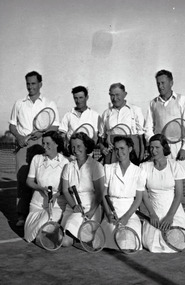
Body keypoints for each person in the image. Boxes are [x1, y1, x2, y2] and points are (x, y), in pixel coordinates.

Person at [9, 71, 60, 226]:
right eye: (28, 84)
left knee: (41, 180)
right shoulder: (19, 103)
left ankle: (41, 213)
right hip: (23, 146)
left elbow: (55, 125)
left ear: (40, 84)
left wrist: (42, 132)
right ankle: (22, 215)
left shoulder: (49, 103)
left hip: (41, 146)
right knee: (23, 180)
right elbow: (12, 125)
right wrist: (19, 137)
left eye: (33, 83)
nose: (30, 87)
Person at [139, 134, 185, 253]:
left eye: (157, 147)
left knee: (175, 242)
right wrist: (152, 214)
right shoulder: (144, 167)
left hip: (174, 212)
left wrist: (170, 216)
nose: (153, 151)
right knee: (151, 243)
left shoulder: (175, 166)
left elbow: (179, 195)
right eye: (151, 148)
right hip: (154, 213)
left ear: (164, 148)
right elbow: (143, 193)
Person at [61, 132, 104, 247]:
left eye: (79, 146)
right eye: (73, 146)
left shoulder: (96, 166)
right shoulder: (68, 167)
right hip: (73, 209)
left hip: (92, 210)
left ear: (86, 146)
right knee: (65, 242)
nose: (75, 150)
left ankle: (81, 235)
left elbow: (99, 193)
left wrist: (92, 211)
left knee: (83, 239)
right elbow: (65, 190)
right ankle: (75, 236)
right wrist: (74, 206)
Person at [24, 131, 69, 243]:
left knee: (45, 225)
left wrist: (56, 195)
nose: (44, 146)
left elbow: (66, 188)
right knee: (29, 234)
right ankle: (46, 234)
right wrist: (40, 188)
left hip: (57, 204)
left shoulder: (65, 162)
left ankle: (49, 232)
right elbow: (29, 181)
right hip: (37, 204)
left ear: (57, 144)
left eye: (48, 143)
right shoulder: (37, 159)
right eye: (43, 143)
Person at [144, 69, 185, 171]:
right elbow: (148, 127)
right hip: (159, 149)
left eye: (163, 83)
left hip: (178, 148)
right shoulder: (153, 103)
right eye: (158, 83)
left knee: (177, 182)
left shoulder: (182, 100)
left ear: (171, 83)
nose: (160, 86)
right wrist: (154, 144)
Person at [101, 136, 144, 251]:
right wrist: (109, 214)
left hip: (130, 215)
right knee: (100, 243)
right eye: (116, 149)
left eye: (122, 148)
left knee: (127, 244)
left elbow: (138, 199)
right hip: (111, 214)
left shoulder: (139, 171)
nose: (119, 152)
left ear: (130, 149)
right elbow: (104, 195)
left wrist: (126, 217)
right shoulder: (108, 168)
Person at [98, 83, 145, 165]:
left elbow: (141, 138)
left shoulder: (135, 110)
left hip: (132, 154)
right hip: (112, 154)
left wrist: (141, 158)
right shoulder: (106, 113)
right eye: (112, 95)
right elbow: (101, 138)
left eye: (117, 95)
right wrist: (102, 149)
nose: (115, 98)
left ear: (125, 94)